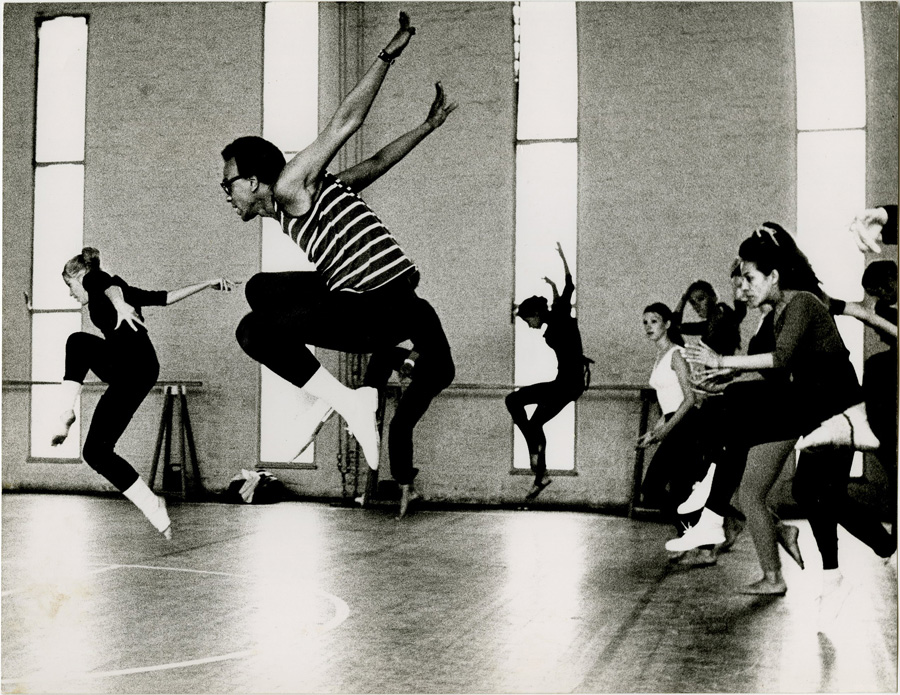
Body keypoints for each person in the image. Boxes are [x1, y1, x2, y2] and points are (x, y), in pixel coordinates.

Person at [221, 13, 455, 517]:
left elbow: (346, 121)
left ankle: (347, 402)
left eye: (230, 183)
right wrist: (427, 127)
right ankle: (344, 400)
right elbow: (376, 165)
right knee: (259, 290)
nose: (226, 194)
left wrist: (388, 56)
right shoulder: (311, 199)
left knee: (252, 329)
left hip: (379, 307)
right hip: (381, 311)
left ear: (257, 180)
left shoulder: (290, 188)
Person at [679, 226, 894, 616]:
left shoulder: (805, 303)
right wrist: (727, 375)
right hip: (812, 411)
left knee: (816, 490)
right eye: (740, 279)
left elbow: (783, 360)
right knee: (809, 488)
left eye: (748, 278)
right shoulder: (778, 313)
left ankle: (865, 558)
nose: (743, 287)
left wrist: (724, 362)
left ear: (774, 275)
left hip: (839, 412)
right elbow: (779, 370)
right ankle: (714, 503)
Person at [51, 247, 235, 539]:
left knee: (77, 342)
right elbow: (164, 297)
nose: (72, 294)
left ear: (79, 276)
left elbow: (104, 284)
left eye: (70, 286)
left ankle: (65, 410)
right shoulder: (118, 287)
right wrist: (208, 282)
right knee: (96, 452)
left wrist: (120, 304)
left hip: (133, 368)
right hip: (135, 369)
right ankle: (152, 504)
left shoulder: (96, 279)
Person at [507, 242, 592, 500]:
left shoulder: (561, 316)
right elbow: (560, 294)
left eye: (527, 320)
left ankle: (538, 467)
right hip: (561, 381)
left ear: (535, 313)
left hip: (570, 384)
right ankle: (538, 466)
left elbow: (570, 285)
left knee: (534, 421)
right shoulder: (554, 317)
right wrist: (552, 287)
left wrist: (563, 257)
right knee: (514, 401)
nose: (528, 325)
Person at [635, 303, 708, 549]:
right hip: (673, 424)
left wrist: (665, 431)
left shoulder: (676, 353)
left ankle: (698, 538)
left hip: (687, 426)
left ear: (667, 324)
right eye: (645, 322)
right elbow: (668, 404)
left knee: (656, 488)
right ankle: (696, 536)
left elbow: (690, 399)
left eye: (654, 321)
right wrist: (654, 432)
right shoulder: (659, 356)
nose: (648, 327)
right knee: (675, 492)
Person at [673, 279, 743, 357]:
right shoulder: (707, 325)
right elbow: (673, 327)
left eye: (701, 299)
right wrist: (684, 298)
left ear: (713, 297)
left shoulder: (725, 317)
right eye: (693, 302)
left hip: (725, 366)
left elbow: (672, 328)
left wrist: (683, 299)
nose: (697, 306)